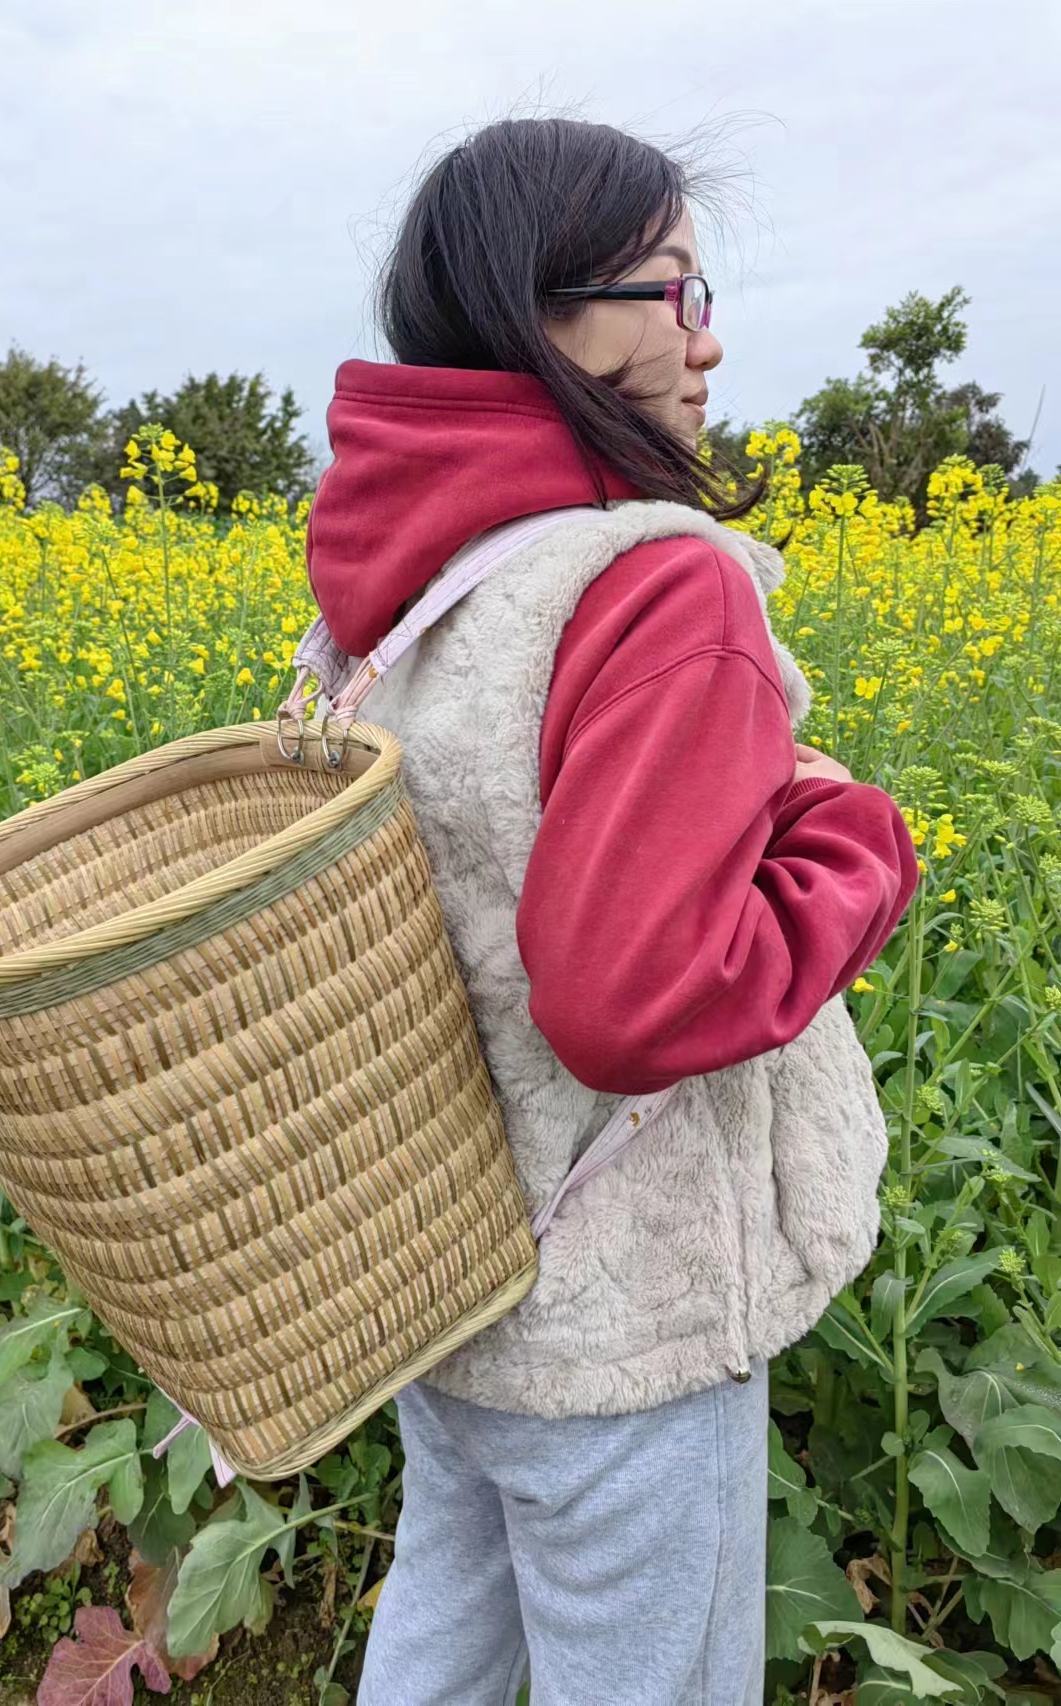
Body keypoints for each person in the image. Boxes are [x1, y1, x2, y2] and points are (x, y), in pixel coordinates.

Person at [303, 117, 919, 1706]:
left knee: (445, 1616)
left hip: (445, 1269)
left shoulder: (389, 597)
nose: (707, 343)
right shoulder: (654, 582)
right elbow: (627, 995)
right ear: (551, 317)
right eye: (679, 293)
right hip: (620, 1311)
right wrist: (852, 842)